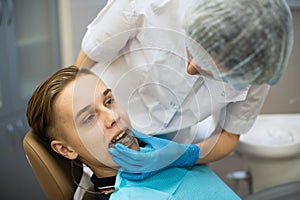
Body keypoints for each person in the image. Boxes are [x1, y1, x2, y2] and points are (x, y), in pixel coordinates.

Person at [75, 0, 293, 180]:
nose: (190, 69)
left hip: (175, 140)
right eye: (192, 51)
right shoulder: (153, 5)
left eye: (212, 72)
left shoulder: (257, 65)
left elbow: (229, 136)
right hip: (98, 127)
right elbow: (88, 57)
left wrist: (184, 155)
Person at [26, 66, 241, 200]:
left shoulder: (158, 149)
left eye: (109, 101)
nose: (112, 116)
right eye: (89, 118)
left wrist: (187, 154)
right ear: (65, 149)